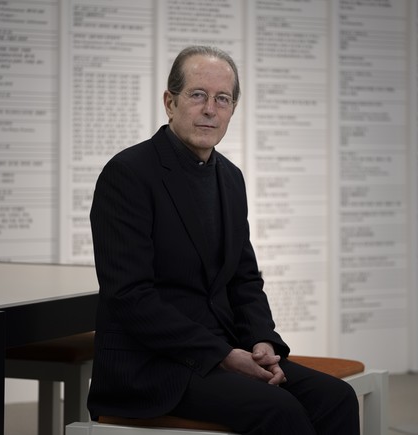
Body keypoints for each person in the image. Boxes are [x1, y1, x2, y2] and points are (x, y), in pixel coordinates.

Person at [88, 45, 359, 435]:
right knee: (280, 410)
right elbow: (130, 296)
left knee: (336, 398)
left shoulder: (230, 178)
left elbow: (244, 279)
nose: (210, 110)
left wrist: (262, 340)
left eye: (222, 99)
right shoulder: (128, 174)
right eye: (198, 95)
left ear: (233, 109)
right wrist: (222, 355)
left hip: (224, 351)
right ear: (170, 102)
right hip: (153, 366)